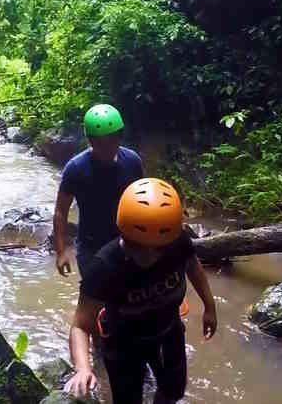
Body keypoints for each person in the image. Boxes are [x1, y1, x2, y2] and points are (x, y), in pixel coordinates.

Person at [65, 178, 217, 404]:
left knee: (173, 391)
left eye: (158, 249)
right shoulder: (105, 267)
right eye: (138, 246)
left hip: (168, 332)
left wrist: (210, 307)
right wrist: (83, 368)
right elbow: (80, 324)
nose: (149, 256)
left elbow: (193, 266)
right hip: (123, 346)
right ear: (123, 233)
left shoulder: (178, 241)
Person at [53, 104, 144, 277]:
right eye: (99, 143)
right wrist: (61, 252)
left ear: (119, 137)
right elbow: (60, 211)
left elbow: (141, 200)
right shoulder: (75, 168)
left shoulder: (132, 161)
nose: (106, 148)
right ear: (90, 141)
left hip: (128, 242)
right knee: (94, 298)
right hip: (91, 248)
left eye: (111, 141)